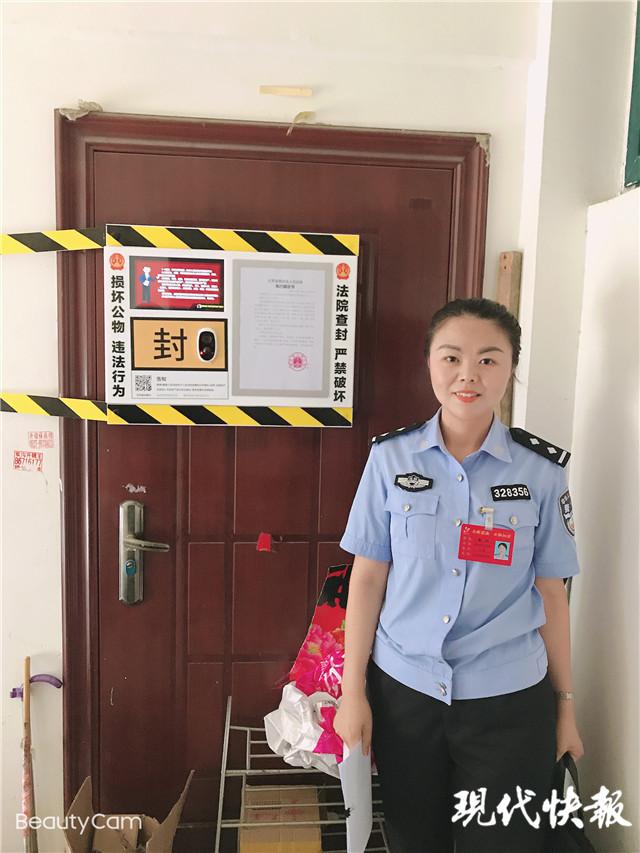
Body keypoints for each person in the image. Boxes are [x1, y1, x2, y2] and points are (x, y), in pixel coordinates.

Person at [334, 297, 584, 853]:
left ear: (511, 368)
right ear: (429, 363)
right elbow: (368, 578)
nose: (468, 375)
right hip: (406, 693)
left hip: (508, 700)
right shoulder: (391, 460)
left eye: (488, 359)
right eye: (452, 358)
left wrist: (566, 707)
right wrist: (354, 693)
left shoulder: (541, 472)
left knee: (503, 843)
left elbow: (552, 593)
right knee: (413, 837)